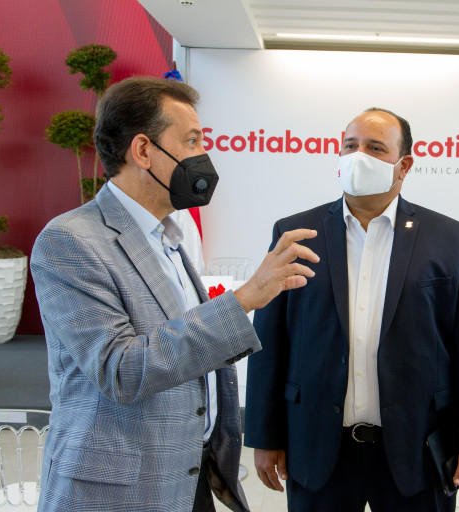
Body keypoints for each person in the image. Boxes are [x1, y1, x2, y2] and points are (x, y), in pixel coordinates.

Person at [31, 76, 319, 512]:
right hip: (116, 494)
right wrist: (243, 300)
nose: (203, 155)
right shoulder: (71, 241)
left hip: (186, 479)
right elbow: (122, 370)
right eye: (191, 140)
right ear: (143, 151)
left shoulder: (169, 238)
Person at [244, 107, 459, 512]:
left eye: (375, 148)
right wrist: (264, 435)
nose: (357, 156)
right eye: (350, 146)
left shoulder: (449, 239)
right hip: (317, 446)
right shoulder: (295, 234)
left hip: (417, 448)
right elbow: (269, 342)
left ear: (404, 165)